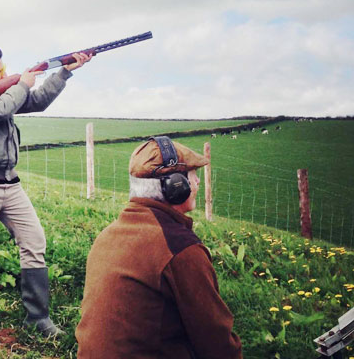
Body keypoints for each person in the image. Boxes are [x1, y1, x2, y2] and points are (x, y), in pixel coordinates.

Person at [0, 43, 91, 341]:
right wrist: (21, 82)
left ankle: (38, 318)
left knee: (34, 241)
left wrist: (62, 73)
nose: (6, 74)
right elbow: (0, 109)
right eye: (0, 71)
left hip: (11, 182)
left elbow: (35, 101)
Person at [75, 136, 242, 358]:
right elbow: (216, 342)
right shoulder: (181, 249)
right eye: (192, 174)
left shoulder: (107, 234)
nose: (198, 181)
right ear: (175, 187)